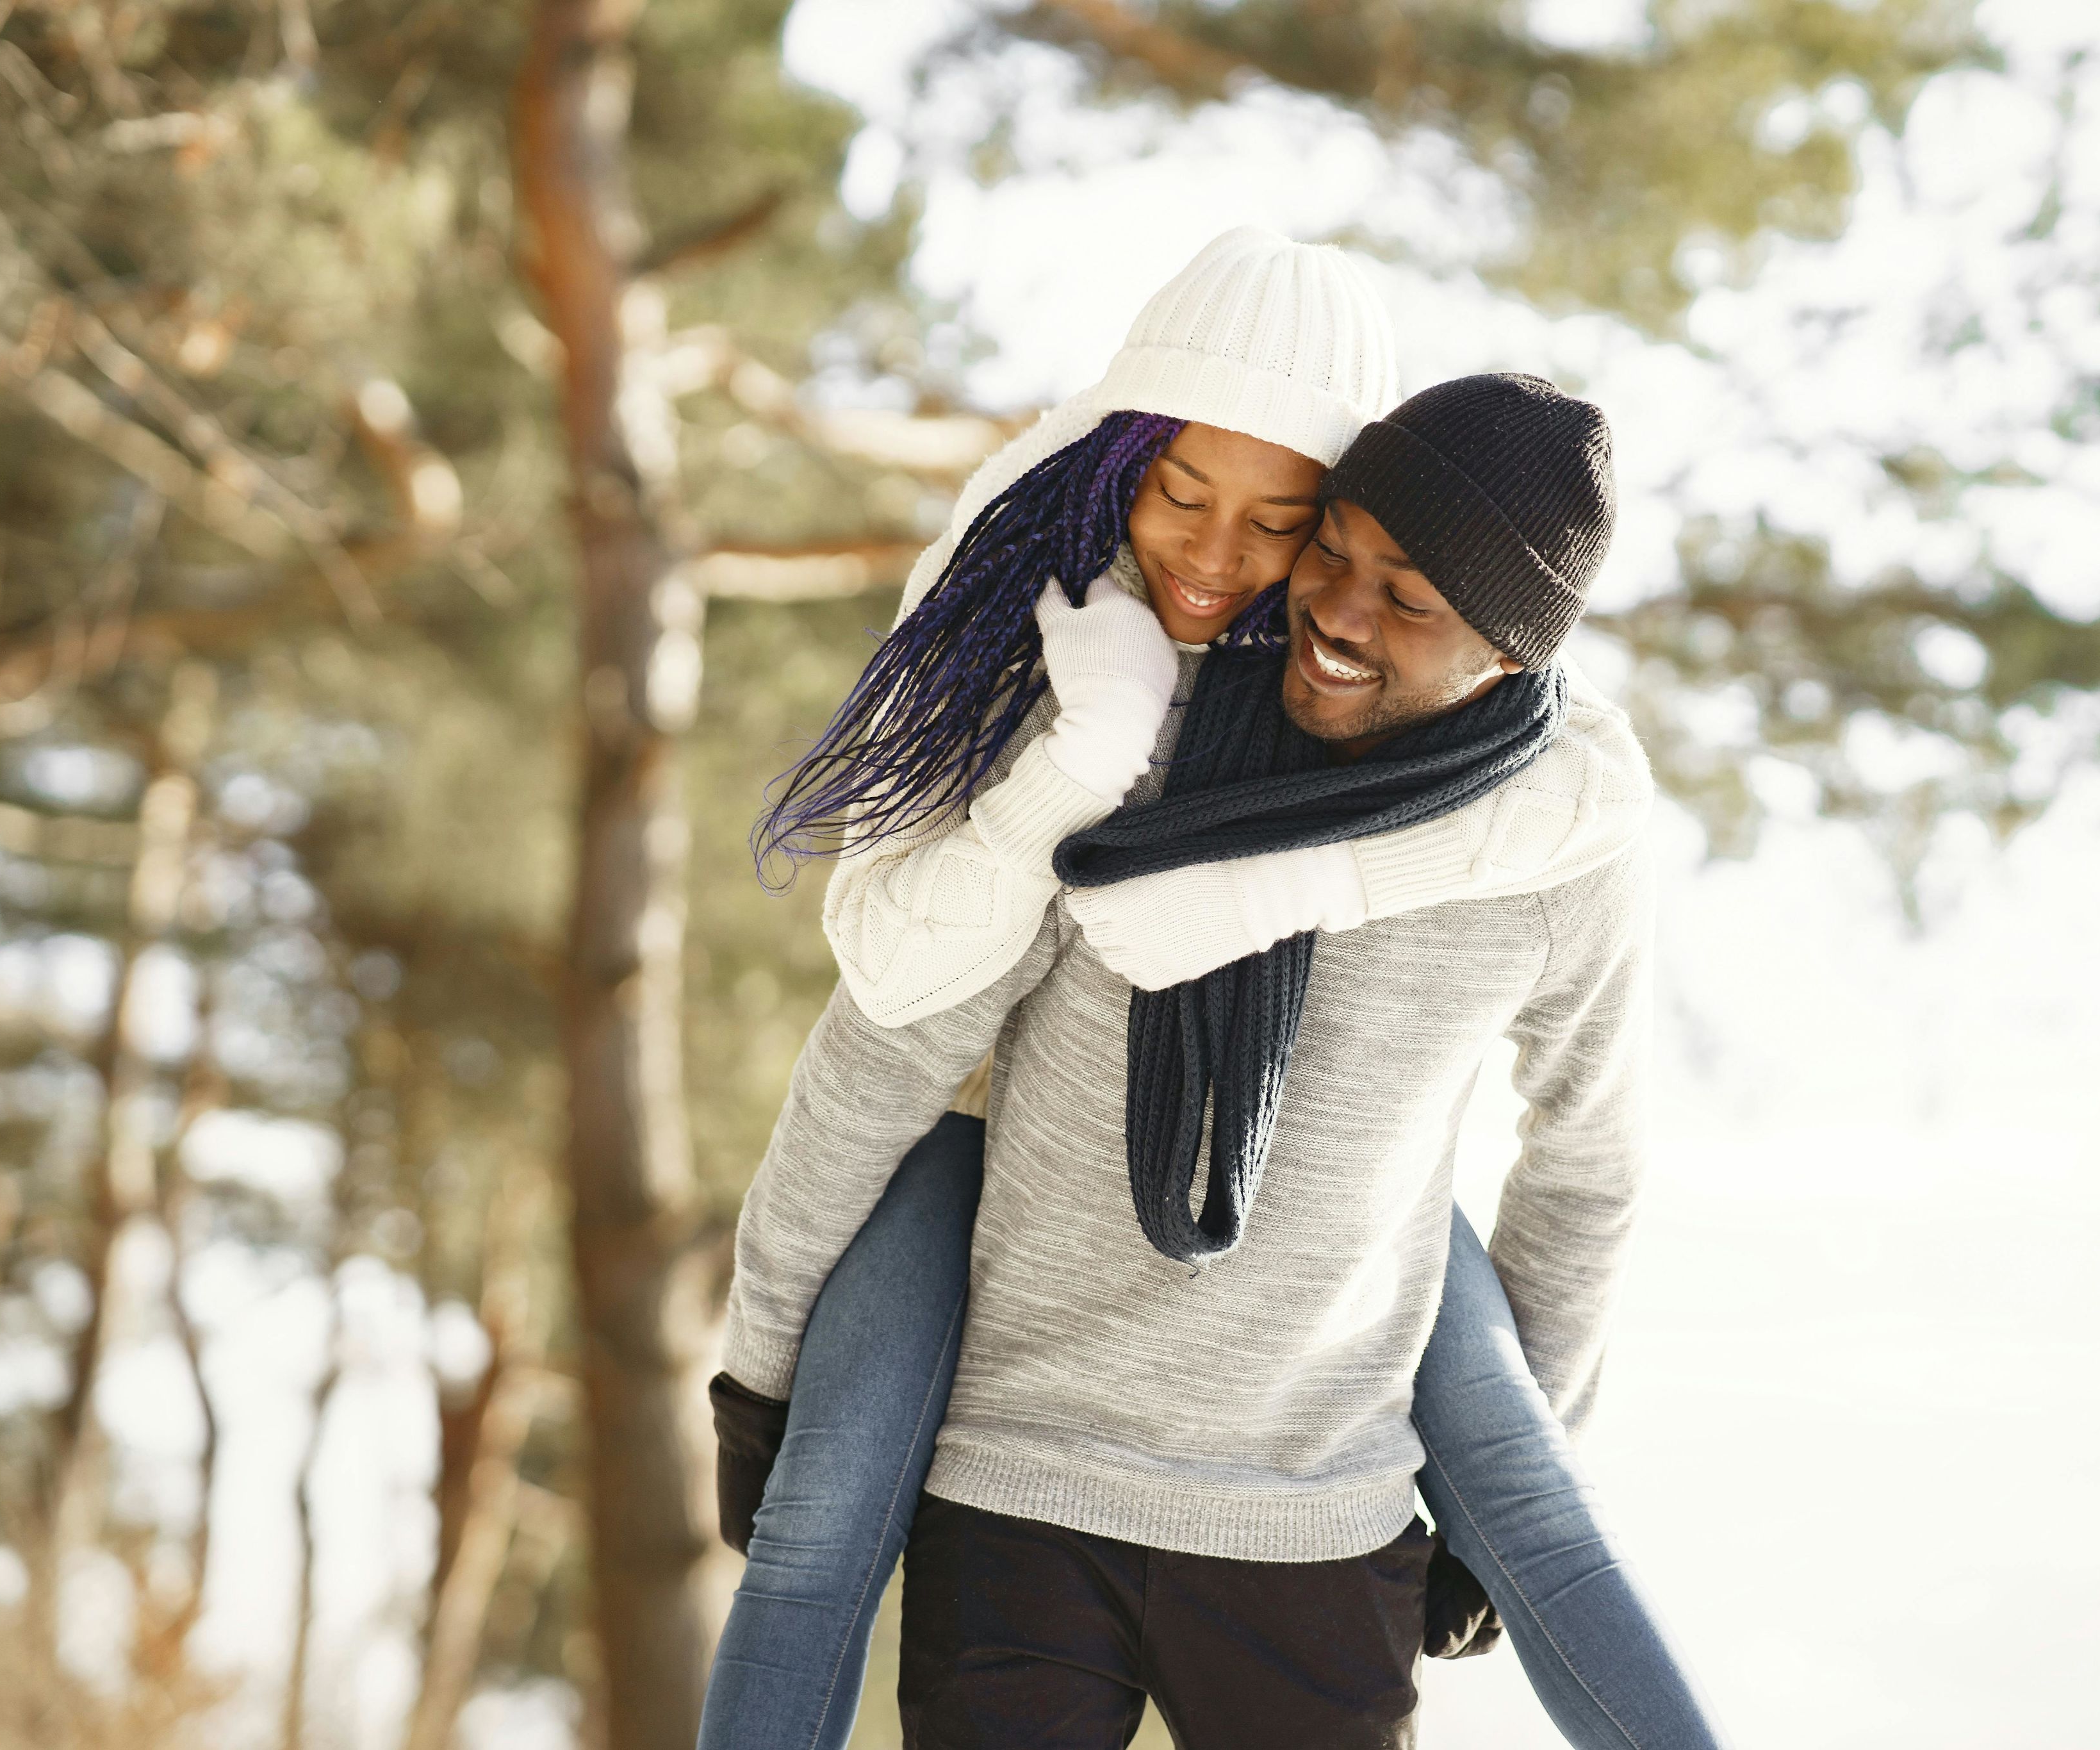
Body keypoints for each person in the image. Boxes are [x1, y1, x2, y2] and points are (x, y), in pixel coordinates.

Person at [702, 232, 1719, 1749]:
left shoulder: (1551, 855)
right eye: (1336, 557)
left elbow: (1586, 1166)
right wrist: (760, 1360)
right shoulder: (1129, 735)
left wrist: (1499, 1488)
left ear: (1510, 662)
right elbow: (887, 1048)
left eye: (1405, 598)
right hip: (1020, 1495)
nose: (1338, 613)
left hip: (1316, 1533)